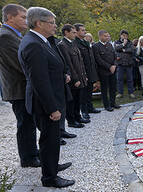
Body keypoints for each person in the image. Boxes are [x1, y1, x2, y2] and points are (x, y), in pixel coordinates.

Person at [18, 7, 74, 188]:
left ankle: (52, 166)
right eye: (51, 22)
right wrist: (52, 108)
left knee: (52, 138)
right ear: (38, 23)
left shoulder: (39, 41)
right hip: (44, 103)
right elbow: (39, 81)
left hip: (49, 97)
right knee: (49, 139)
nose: (55, 26)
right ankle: (49, 178)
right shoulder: (33, 44)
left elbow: (47, 69)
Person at [0, 4, 40, 168]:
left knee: (29, 122)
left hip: (23, 86)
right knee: (25, 123)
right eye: (23, 17)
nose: (26, 20)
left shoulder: (14, 35)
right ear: (10, 17)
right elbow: (20, 64)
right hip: (19, 88)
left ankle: (33, 153)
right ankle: (28, 158)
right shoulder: (5, 36)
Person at [58, 24, 90, 127]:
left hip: (80, 76)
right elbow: (69, 64)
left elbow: (80, 62)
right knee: (72, 101)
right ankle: (71, 121)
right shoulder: (63, 45)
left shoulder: (73, 43)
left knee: (78, 99)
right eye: (73, 32)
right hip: (73, 78)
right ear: (66, 33)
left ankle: (78, 116)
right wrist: (75, 79)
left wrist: (83, 75)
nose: (75, 34)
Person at [73, 23, 100, 119]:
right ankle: (83, 111)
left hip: (90, 70)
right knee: (83, 93)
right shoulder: (75, 43)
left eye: (84, 30)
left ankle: (90, 107)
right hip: (82, 72)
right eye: (82, 30)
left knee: (89, 91)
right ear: (76, 32)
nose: (85, 31)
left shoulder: (85, 42)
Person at [93, 30, 120, 111]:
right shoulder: (96, 46)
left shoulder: (110, 45)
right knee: (104, 89)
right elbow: (98, 60)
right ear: (100, 36)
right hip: (103, 71)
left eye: (108, 36)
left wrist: (114, 65)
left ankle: (113, 103)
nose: (107, 37)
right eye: (105, 36)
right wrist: (109, 67)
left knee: (113, 88)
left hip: (113, 70)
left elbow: (115, 56)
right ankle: (107, 105)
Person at [115, 30, 135, 99]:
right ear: (120, 35)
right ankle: (120, 93)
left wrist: (123, 50)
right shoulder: (117, 42)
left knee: (130, 79)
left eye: (126, 35)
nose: (125, 36)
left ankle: (131, 93)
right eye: (123, 35)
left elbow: (132, 50)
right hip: (120, 64)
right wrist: (123, 45)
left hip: (129, 63)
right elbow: (116, 48)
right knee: (119, 79)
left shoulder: (130, 42)